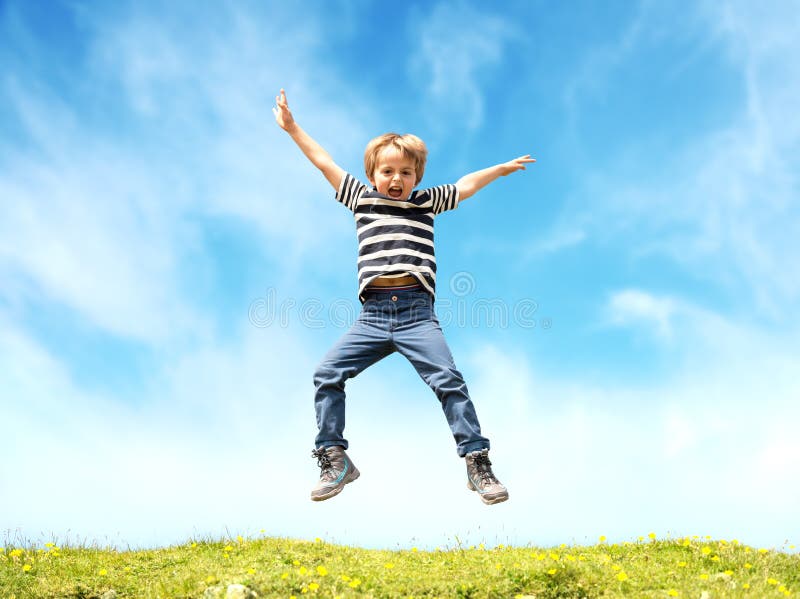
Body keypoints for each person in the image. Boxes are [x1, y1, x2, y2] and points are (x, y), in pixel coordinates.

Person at [273, 89, 534, 504]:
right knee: (327, 373)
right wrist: (291, 129)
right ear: (374, 174)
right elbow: (324, 162)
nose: (397, 180)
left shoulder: (425, 203)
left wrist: (499, 170)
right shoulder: (360, 198)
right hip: (373, 316)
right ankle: (335, 457)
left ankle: (477, 462)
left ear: (418, 177)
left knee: (448, 380)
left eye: (406, 173)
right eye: (388, 171)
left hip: (417, 313)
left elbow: (464, 186)